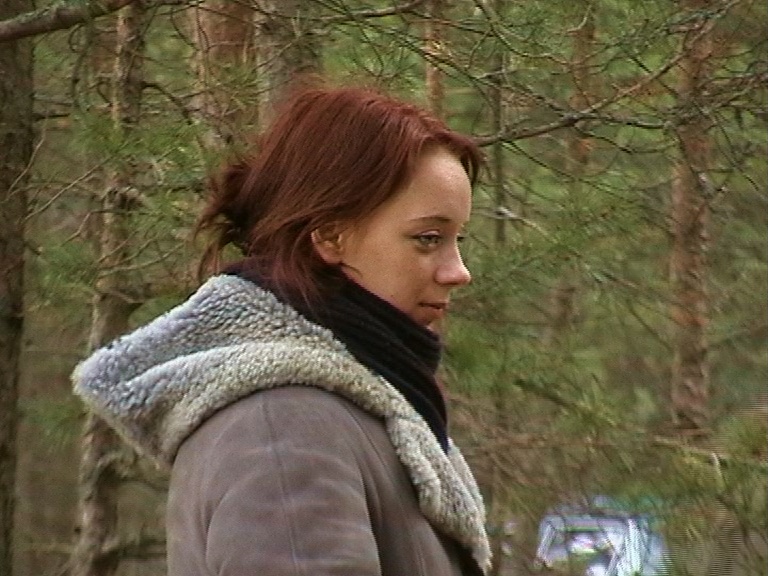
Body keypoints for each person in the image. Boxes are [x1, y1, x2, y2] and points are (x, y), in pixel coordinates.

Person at [72, 84, 491, 576]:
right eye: (428, 238)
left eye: (457, 240)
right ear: (330, 235)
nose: (459, 272)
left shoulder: (344, 412)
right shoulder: (281, 424)